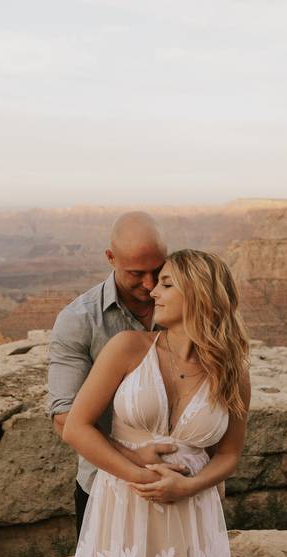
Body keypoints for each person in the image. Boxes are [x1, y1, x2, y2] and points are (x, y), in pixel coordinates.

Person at [62, 249, 249, 557]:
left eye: (166, 284)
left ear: (198, 294)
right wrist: (138, 474)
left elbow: (230, 454)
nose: (153, 294)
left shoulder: (232, 372)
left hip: (191, 510)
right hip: (125, 504)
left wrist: (188, 486)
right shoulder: (128, 348)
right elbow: (77, 427)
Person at [48, 211, 186, 539]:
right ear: (111, 258)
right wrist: (136, 461)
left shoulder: (185, 306)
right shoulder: (80, 321)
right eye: (137, 273)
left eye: (157, 270)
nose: (150, 285)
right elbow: (64, 418)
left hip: (181, 485)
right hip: (104, 485)